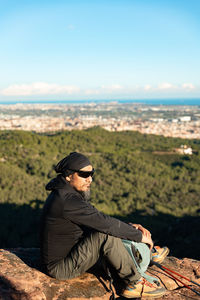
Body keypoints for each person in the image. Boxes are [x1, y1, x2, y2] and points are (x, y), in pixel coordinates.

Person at [40, 152, 169, 298]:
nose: (90, 179)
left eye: (91, 174)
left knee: (109, 231)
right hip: (61, 267)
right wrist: (139, 236)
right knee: (105, 235)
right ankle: (134, 282)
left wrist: (130, 227)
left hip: (75, 251)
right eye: (84, 174)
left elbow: (98, 219)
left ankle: (141, 253)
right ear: (69, 175)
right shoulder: (67, 201)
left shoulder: (66, 193)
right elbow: (105, 225)